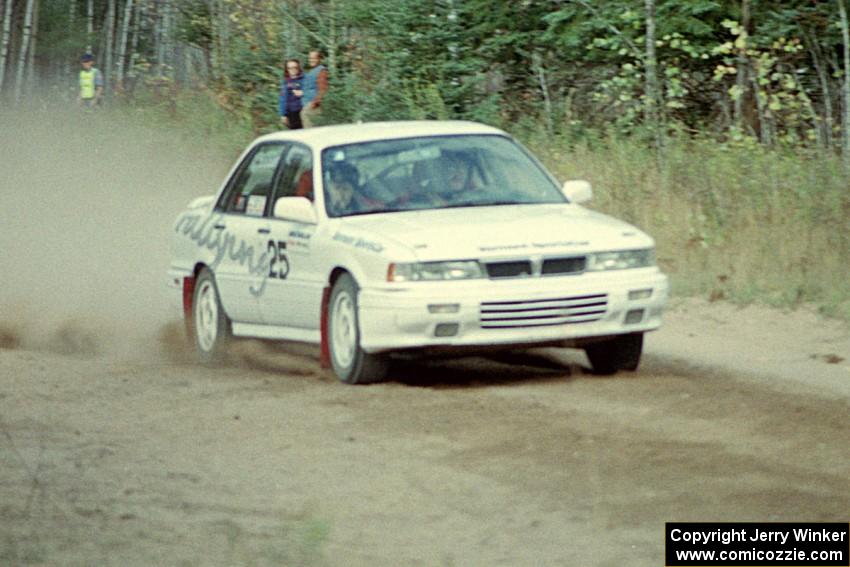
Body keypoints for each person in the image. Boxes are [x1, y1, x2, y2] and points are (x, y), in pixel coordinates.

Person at [300, 50, 329, 128]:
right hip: (307, 103)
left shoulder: (321, 71)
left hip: (314, 105)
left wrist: (315, 103)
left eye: (314, 58)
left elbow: (323, 89)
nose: (311, 60)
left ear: (319, 59)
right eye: (310, 58)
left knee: (309, 126)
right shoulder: (312, 71)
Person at [279, 58, 304, 129]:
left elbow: (311, 91)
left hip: (303, 111)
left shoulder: (304, 79)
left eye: (294, 67)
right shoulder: (285, 82)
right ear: (287, 69)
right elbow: (282, 99)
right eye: (289, 68)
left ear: (298, 67)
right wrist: (283, 114)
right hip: (291, 114)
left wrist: (303, 92)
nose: (292, 70)